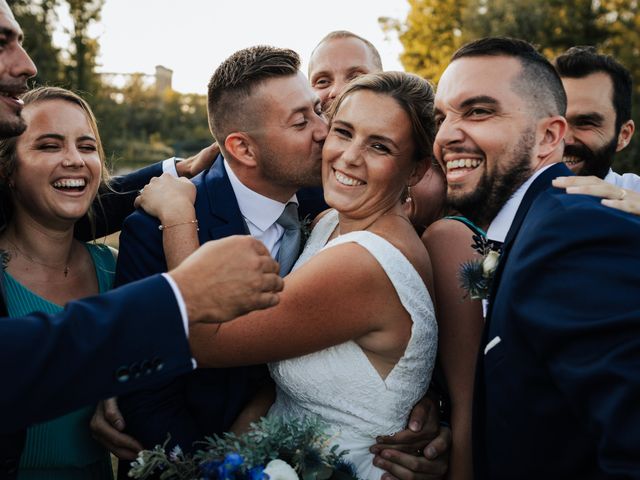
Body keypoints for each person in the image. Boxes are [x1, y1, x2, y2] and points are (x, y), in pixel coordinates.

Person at [0, 4, 283, 478]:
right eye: (48, 145)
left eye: (87, 147)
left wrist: (123, 380)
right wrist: (181, 297)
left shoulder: (119, 266)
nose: (73, 160)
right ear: (7, 170)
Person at [143, 70, 438, 480]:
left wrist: (177, 217)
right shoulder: (331, 219)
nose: (349, 156)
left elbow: (207, 341)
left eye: (380, 146)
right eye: (343, 131)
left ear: (416, 170)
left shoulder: (363, 262)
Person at [434, 36, 640, 479]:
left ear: (549, 136)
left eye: (478, 111)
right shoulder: (529, 229)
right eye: (442, 116)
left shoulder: (574, 233)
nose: (446, 135)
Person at [553, 46, 639, 189]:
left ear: (623, 135)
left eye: (585, 123)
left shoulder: (635, 196)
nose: (565, 139)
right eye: (555, 123)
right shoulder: (505, 198)